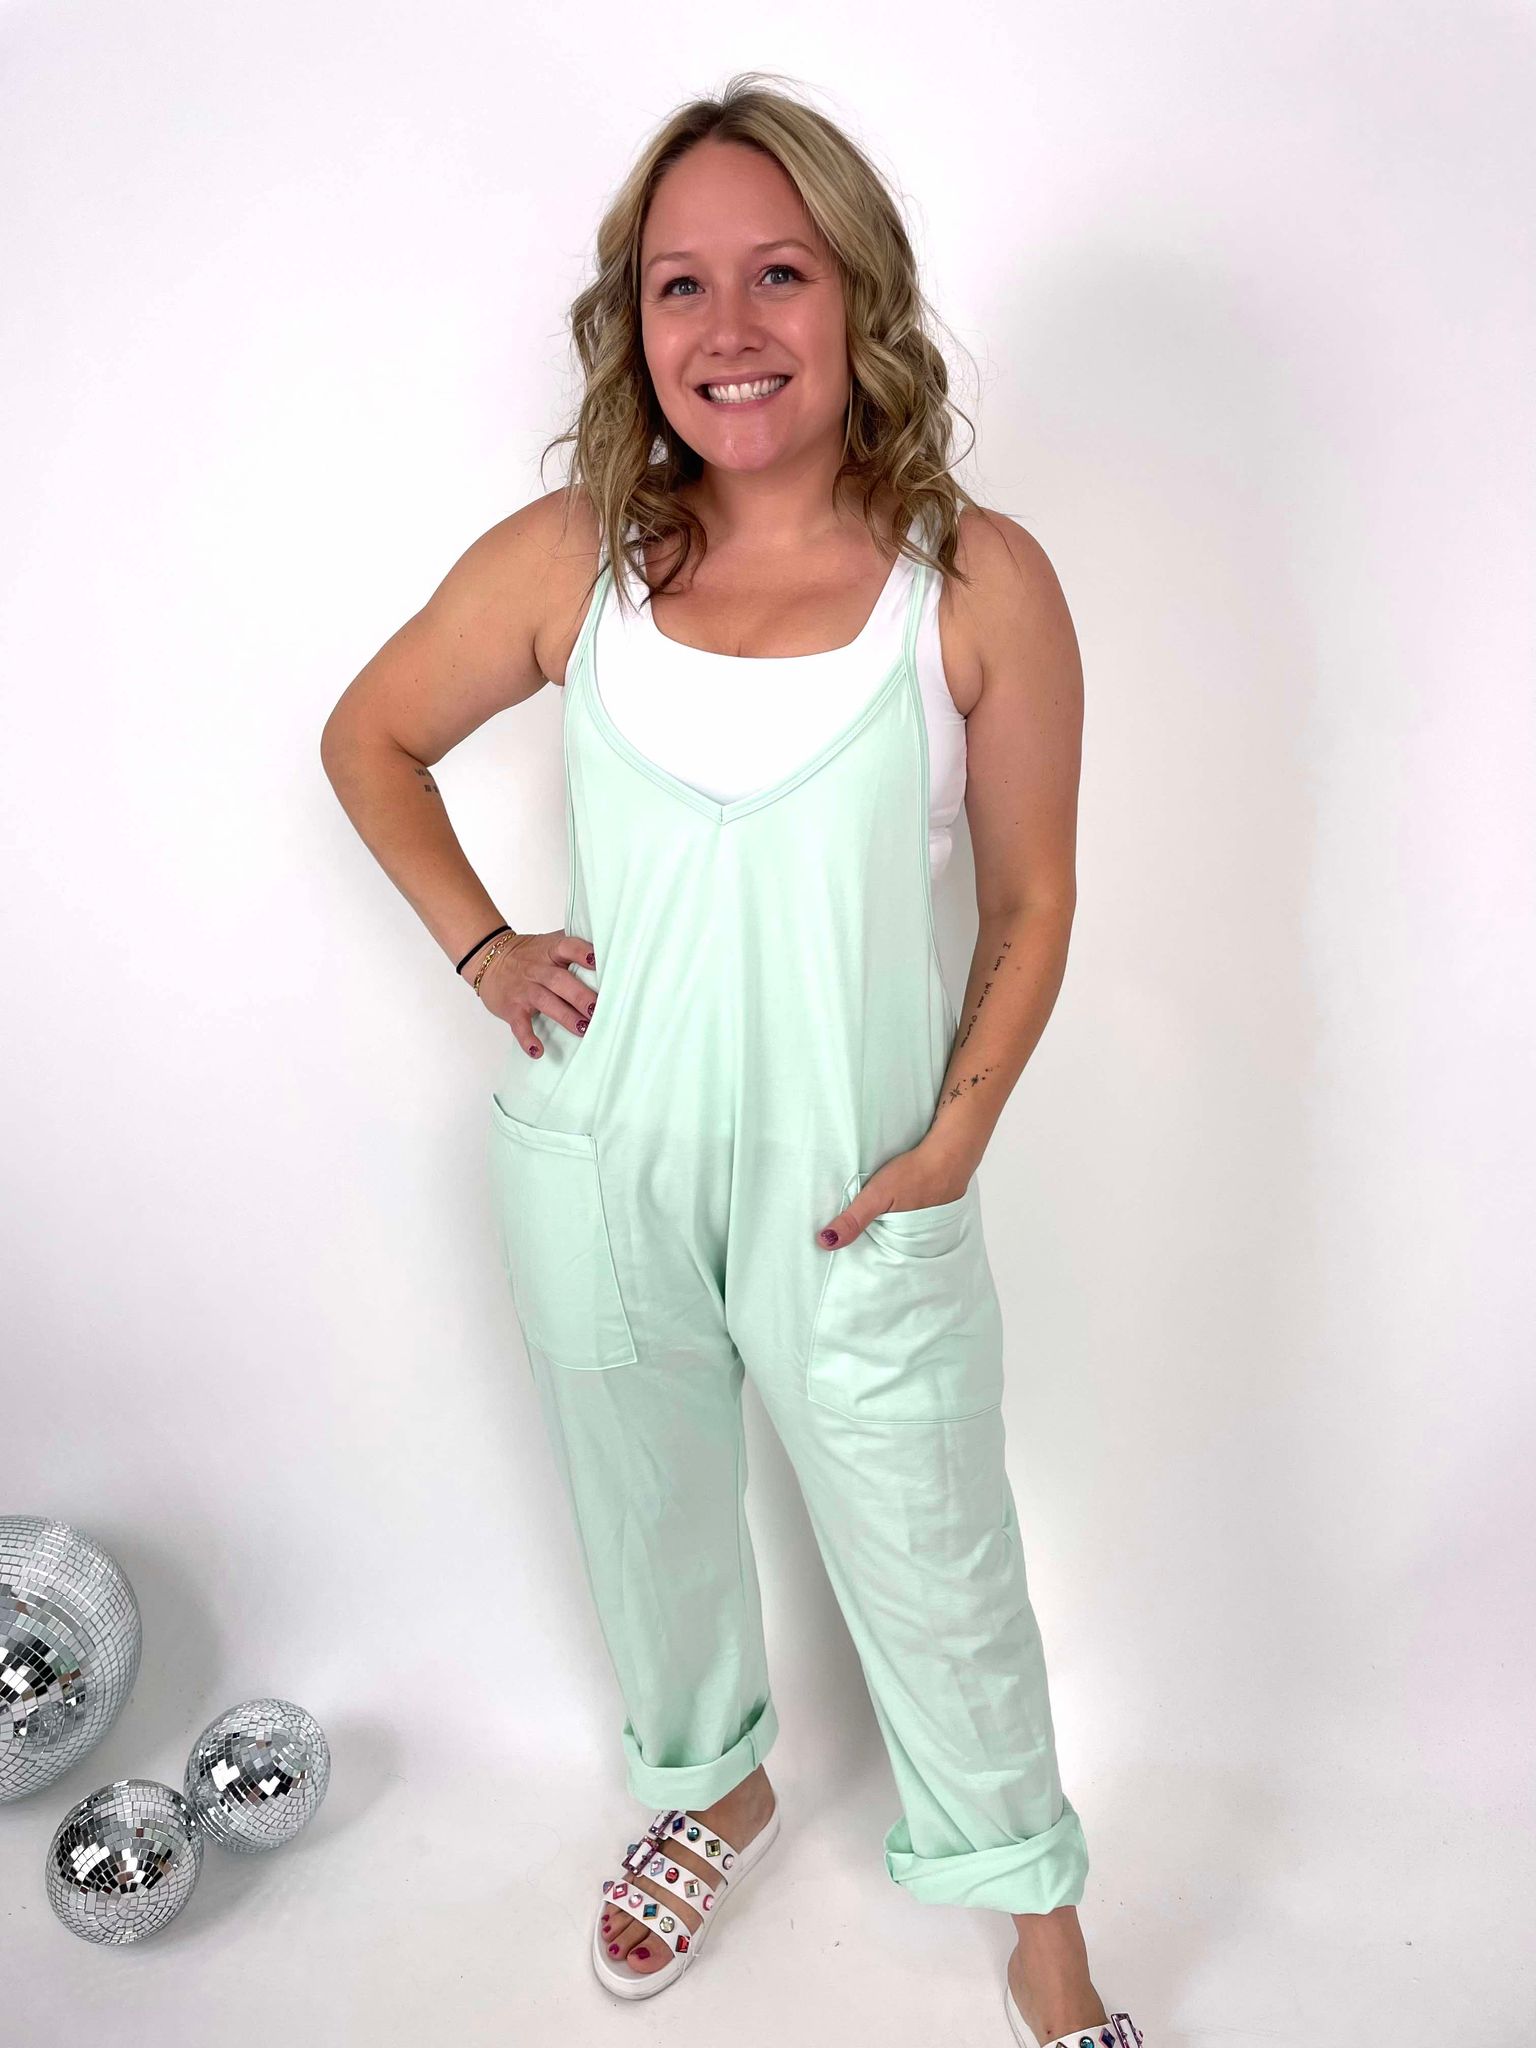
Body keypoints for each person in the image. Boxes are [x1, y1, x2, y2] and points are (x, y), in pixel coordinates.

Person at [321, 72, 1144, 2048]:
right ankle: (712, 1786)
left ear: (858, 295)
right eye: (680, 284)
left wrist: (951, 1145)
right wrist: (488, 949)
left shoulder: (978, 583)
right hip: (601, 1156)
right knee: (651, 1515)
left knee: (938, 1555)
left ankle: (1043, 1936)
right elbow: (370, 738)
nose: (729, 327)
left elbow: (1033, 902)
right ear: (636, 321)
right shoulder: (571, 562)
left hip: (859, 1181)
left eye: (778, 273)